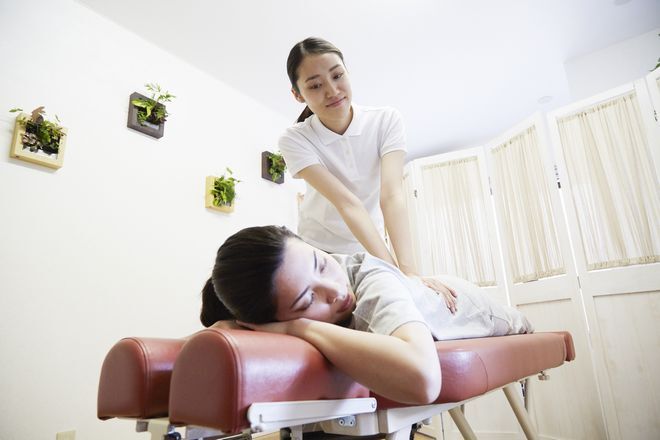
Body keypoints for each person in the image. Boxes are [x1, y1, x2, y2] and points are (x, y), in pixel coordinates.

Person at [200, 226, 533, 405]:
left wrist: (299, 326)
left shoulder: (367, 277)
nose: (335, 290)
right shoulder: (266, 304)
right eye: (308, 299)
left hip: (473, 306)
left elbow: (423, 380)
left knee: (518, 321)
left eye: (322, 263)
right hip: (415, 292)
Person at [279, 37, 457, 310]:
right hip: (318, 252)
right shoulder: (295, 139)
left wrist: (408, 273)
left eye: (337, 75)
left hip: (369, 248)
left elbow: (392, 195)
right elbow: (347, 202)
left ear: (347, 72)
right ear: (298, 94)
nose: (332, 91)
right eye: (315, 85)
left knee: (393, 306)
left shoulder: (385, 120)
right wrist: (396, 273)